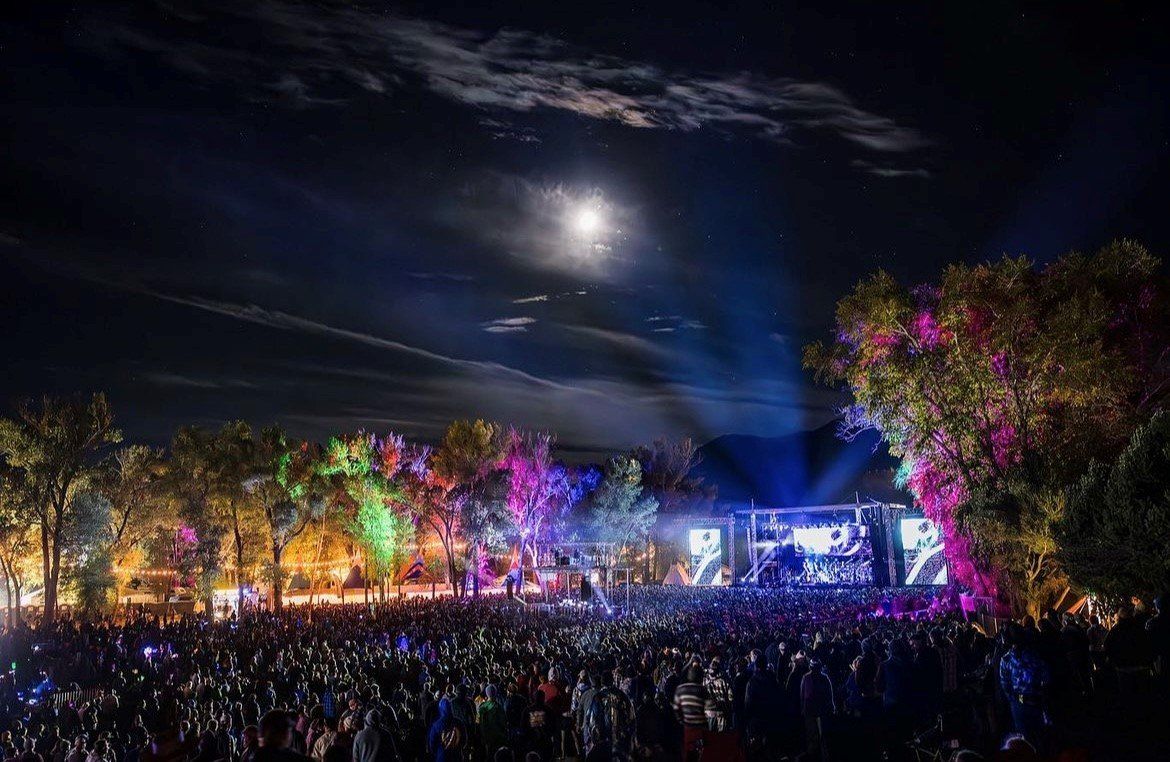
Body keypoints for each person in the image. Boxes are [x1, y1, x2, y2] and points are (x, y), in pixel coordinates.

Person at [997, 625, 1049, 751]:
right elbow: (1046, 675)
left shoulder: (1006, 659)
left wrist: (1013, 699)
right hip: (1033, 700)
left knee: (1026, 737)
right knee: (1039, 735)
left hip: (1021, 702)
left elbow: (1005, 683)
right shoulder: (1033, 655)